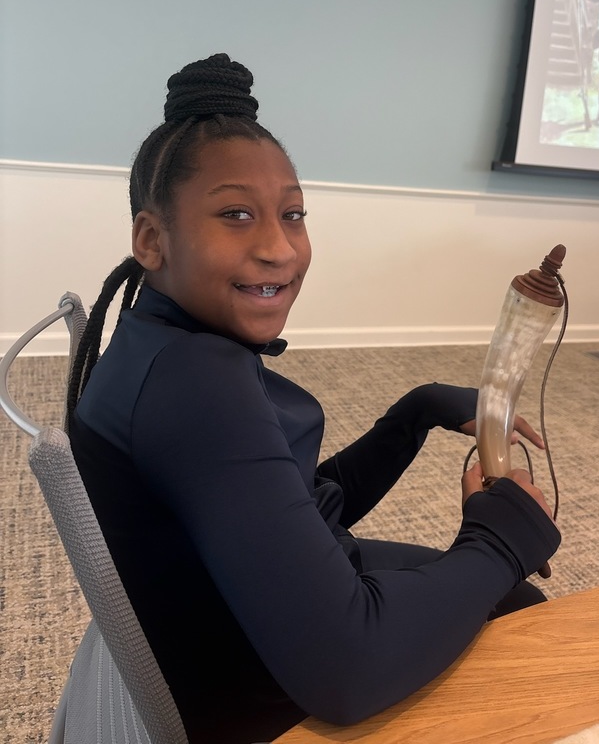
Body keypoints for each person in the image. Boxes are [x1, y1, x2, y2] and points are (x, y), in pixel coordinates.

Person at [67, 54, 561, 744]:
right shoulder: (197, 390)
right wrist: (504, 536)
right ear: (152, 239)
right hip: (259, 690)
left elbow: (288, 507)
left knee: (505, 596)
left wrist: (412, 413)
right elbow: (350, 671)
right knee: (519, 606)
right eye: (236, 214)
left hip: (233, 612)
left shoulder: (163, 341)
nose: (279, 247)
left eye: (292, 214)